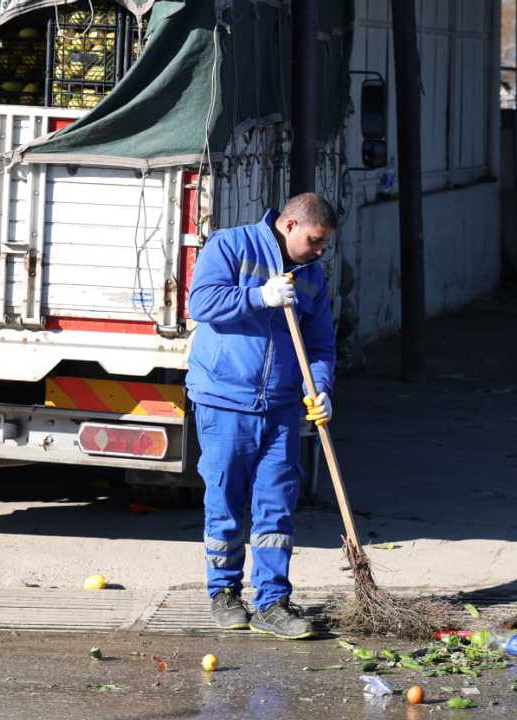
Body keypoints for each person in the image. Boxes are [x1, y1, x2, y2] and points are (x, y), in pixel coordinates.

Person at [185, 192, 338, 639]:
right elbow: (202, 303)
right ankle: (224, 593)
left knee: (276, 506)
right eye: (315, 240)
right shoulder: (230, 246)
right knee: (226, 499)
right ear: (290, 225)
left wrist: (322, 389)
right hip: (224, 398)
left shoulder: (312, 276)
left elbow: (322, 345)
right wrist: (260, 296)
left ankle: (273, 601)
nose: (319, 251)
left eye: (324, 244)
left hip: (282, 404)